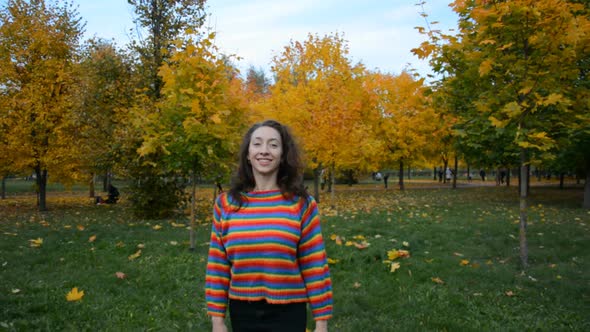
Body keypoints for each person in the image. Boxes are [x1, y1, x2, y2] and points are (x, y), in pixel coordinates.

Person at [205, 120, 333, 332]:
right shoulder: (226, 204)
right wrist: (217, 320)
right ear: (248, 153)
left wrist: (321, 322)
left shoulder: (302, 204)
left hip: (289, 312)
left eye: (273, 145)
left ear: (283, 156)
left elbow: (314, 264)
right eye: (257, 144)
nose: (264, 151)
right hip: (242, 311)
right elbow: (217, 266)